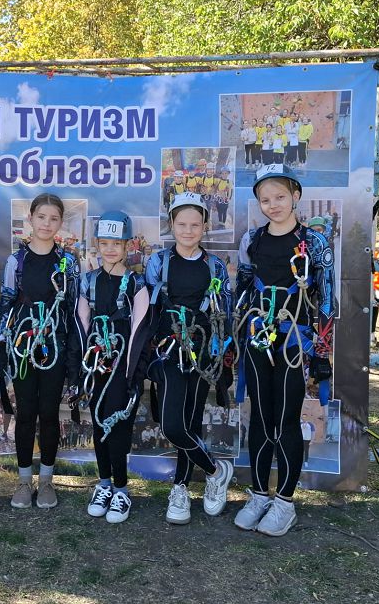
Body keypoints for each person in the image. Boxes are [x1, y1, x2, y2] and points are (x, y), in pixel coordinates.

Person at [234, 164, 335, 536]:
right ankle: (260, 494)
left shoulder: (315, 243)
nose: (273, 204)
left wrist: (321, 351)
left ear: (295, 196)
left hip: (296, 342)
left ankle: (285, 502)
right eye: (265, 199)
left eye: (280, 197)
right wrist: (234, 339)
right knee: (261, 418)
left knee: (287, 420)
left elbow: (327, 300)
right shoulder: (252, 240)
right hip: (258, 340)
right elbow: (243, 291)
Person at [145, 192, 235, 525]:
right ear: (171, 225)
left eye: (195, 225)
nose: (188, 230)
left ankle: (180, 489)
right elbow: (149, 311)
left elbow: (225, 313)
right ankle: (215, 470)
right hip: (169, 351)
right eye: (181, 224)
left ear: (205, 226)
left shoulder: (215, 266)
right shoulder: (158, 262)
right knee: (172, 425)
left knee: (191, 421)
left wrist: (222, 357)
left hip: (202, 353)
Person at [0, 193, 80, 509]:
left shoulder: (68, 262)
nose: (46, 223)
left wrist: (73, 355)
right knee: (26, 413)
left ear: (61, 223)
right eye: (41, 217)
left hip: (55, 347)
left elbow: (73, 310)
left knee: (49, 413)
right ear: (30, 218)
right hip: (22, 347)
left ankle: (46, 482)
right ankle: (23, 481)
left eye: (53, 218)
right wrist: (0, 346)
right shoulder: (16, 261)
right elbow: (7, 304)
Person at [74, 211, 151, 524]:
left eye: (116, 243)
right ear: (97, 244)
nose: (109, 249)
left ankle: (121, 489)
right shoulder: (88, 281)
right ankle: (104, 484)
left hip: (122, 366)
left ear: (127, 245)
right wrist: (81, 368)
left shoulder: (137, 284)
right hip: (96, 364)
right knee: (98, 422)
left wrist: (132, 374)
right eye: (104, 243)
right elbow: (82, 323)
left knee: (118, 426)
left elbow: (140, 329)